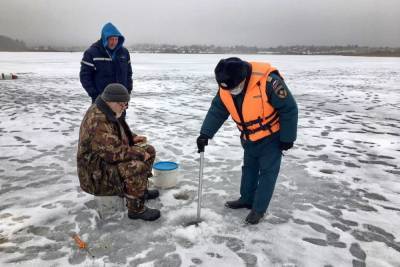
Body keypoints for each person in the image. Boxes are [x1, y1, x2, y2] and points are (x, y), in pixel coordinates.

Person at [196, 57, 298, 224]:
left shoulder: (269, 82)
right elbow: (218, 110)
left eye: (234, 87)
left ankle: (258, 209)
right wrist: (205, 134)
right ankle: (246, 199)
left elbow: (289, 108)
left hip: (271, 138)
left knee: (267, 173)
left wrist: (288, 138)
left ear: (243, 78)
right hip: (249, 138)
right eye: (228, 89)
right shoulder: (227, 86)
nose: (232, 91)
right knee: (249, 169)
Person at [77, 83, 160, 221]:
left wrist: (132, 137)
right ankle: (136, 209)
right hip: (94, 173)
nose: (124, 107)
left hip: (105, 160)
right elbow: (113, 153)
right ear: (110, 101)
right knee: (135, 166)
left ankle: (140, 191)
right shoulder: (97, 120)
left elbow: (115, 133)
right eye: (122, 104)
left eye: (126, 104)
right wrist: (138, 153)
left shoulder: (109, 110)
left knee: (149, 150)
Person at [80, 22, 133, 103]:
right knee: (99, 116)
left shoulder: (124, 53)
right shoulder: (92, 53)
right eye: (111, 39)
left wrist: (127, 93)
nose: (114, 42)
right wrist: (96, 95)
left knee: (119, 116)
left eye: (116, 39)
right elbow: (85, 77)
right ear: (105, 38)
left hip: (121, 101)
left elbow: (128, 74)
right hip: (101, 101)